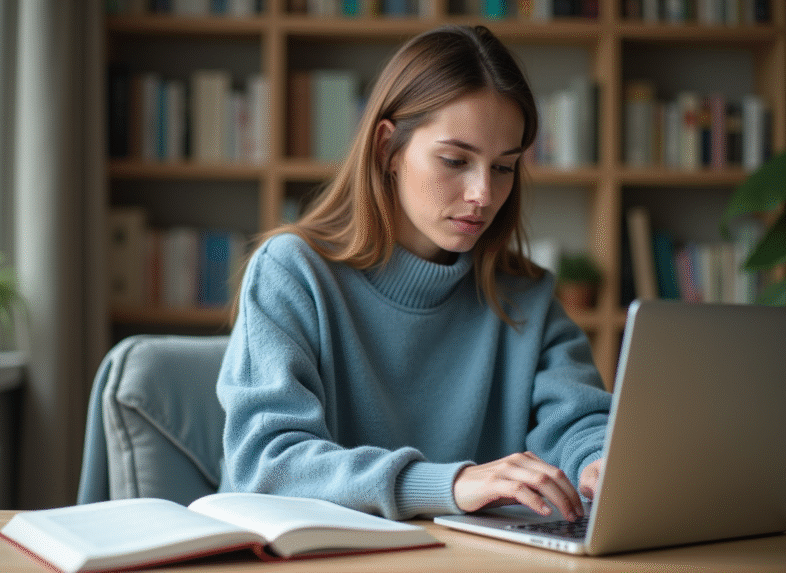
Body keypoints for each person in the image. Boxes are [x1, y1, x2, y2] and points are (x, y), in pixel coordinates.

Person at [216, 24, 611, 523]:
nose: (483, 194)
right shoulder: (292, 272)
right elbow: (267, 462)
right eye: (455, 160)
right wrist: (452, 484)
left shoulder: (523, 295)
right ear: (387, 148)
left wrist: (600, 461)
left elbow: (577, 422)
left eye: (504, 167)